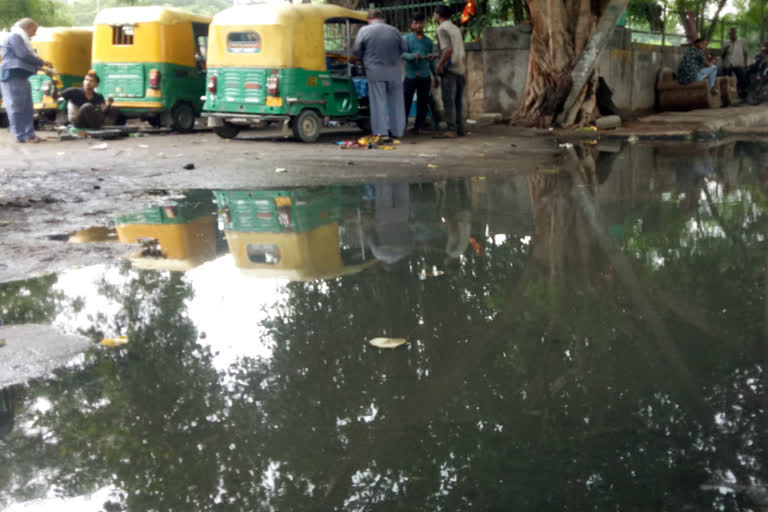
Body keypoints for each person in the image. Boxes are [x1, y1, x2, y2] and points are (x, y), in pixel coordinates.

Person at [353, 9, 407, 139]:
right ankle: (398, 132)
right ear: (383, 18)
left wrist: (364, 59)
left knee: (378, 102)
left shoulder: (364, 31)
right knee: (397, 102)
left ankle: (381, 133)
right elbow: (404, 49)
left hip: (375, 71)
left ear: (369, 19)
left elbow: (357, 50)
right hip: (394, 71)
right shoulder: (394, 31)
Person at [0, 18, 52, 143]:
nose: (34, 34)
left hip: (21, 76)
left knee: (27, 107)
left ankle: (30, 134)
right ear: (26, 27)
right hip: (12, 75)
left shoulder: (20, 38)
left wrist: (42, 68)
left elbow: (23, 58)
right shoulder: (15, 36)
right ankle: (21, 135)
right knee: (16, 107)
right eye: (34, 30)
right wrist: (42, 62)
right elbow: (23, 55)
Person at [402, 12, 439, 135]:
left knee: (423, 102)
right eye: (416, 23)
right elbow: (402, 54)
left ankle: (418, 127)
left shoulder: (428, 41)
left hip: (424, 75)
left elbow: (432, 61)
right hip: (410, 75)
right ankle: (402, 125)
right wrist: (413, 56)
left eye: (421, 23)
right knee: (405, 101)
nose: (419, 25)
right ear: (412, 25)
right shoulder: (406, 39)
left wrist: (435, 75)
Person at [434, 5, 466, 138]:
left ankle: (451, 129)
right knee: (458, 100)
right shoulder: (455, 28)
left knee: (448, 100)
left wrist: (440, 64)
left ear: (438, 15)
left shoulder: (442, 28)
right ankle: (460, 128)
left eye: (435, 13)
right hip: (460, 67)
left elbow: (448, 50)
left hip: (450, 68)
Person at [722, 28, 749, 98]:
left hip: (739, 63)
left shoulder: (742, 41)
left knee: (742, 79)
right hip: (728, 64)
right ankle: (728, 96)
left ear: (735, 33)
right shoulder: (726, 42)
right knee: (727, 80)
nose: (731, 35)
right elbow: (722, 56)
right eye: (730, 34)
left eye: (733, 33)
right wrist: (725, 50)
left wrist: (745, 64)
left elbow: (745, 53)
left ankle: (743, 95)